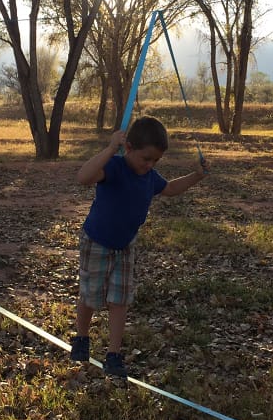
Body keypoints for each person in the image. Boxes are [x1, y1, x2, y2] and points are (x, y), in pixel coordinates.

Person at [71, 116, 208, 380]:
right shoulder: (114, 167)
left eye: (156, 161)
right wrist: (111, 148)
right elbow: (83, 177)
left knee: (120, 299)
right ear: (129, 148)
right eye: (146, 158)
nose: (150, 165)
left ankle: (113, 354)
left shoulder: (150, 177)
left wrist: (197, 176)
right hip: (97, 242)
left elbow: (169, 189)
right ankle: (82, 337)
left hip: (125, 247)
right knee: (90, 295)